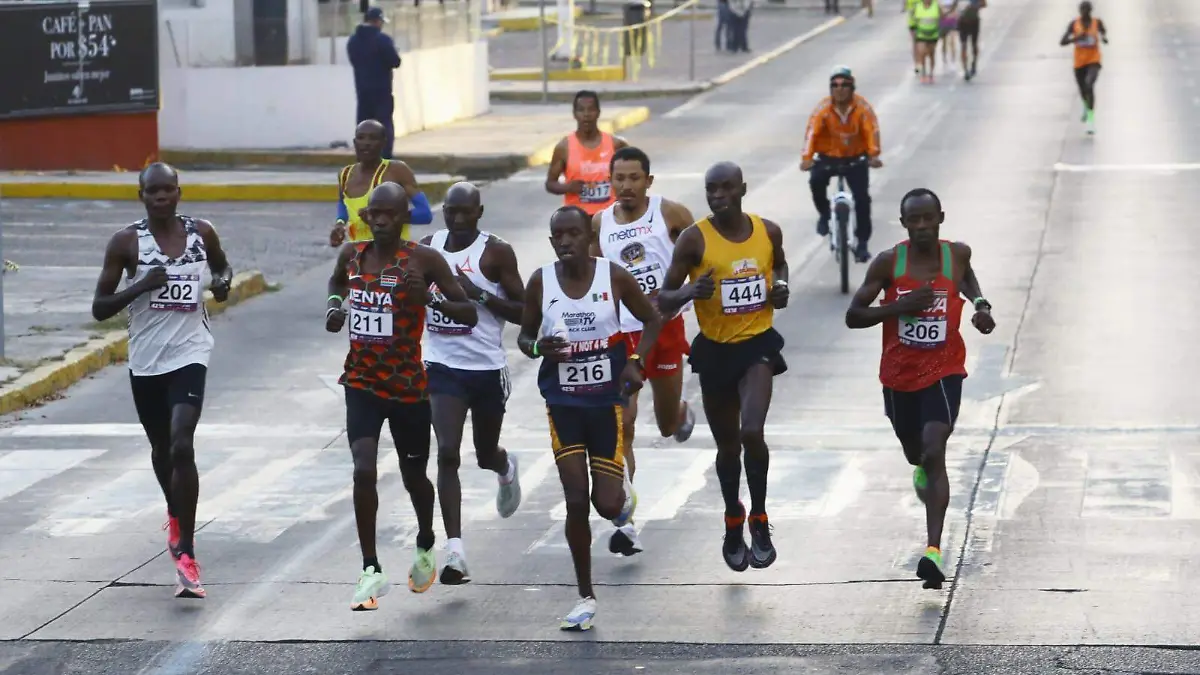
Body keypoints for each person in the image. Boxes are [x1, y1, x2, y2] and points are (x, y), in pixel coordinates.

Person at [325, 182, 479, 611]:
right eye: (374, 213)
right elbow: (336, 285)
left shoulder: (423, 260)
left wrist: (427, 298)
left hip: (409, 387)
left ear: (403, 217)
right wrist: (335, 308)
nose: (379, 220)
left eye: (389, 213)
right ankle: (370, 569)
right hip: (361, 384)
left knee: (415, 478)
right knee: (362, 469)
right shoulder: (352, 255)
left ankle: (427, 539)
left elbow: (467, 311)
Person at [90, 162, 234, 600]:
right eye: (152, 192)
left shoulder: (201, 233)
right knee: (160, 448)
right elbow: (99, 307)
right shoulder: (126, 243)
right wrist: (140, 286)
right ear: (142, 196)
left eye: (167, 190)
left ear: (178, 192)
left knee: (181, 443)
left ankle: (187, 554)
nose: (160, 198)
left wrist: (223, 286)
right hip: (147, 360)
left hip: (191, 353)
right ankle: (174, 511)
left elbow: (224, 269)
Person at [517, 205, 663, 631]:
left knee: (607, 504)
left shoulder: (613, 276)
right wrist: (538, 349)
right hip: (562, 405)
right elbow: (524, 337)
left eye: (573, 234)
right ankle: (585, 595)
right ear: (551, 242)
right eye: (558, 236)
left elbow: (652, 319)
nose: (565, 242)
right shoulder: (540, 282)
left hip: (604, 406)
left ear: (588, 238)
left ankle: (623, 497)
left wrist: (636, 360)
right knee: (576, 500)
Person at [844, 188, 995, 589]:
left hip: (944, 370)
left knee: (934, 448)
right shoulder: (889, 263)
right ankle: (921, 470)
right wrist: (899, 307)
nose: (923, 226)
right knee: (916, 453)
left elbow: (967, 280)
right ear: (904, 223)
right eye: (915, 220)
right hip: (898, 375)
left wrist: (981, 305)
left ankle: (932, 550)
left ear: (941, 217)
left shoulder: (956, 254)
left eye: (930, 218)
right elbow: (854, 315)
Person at [657, 161, 789, 573]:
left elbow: (779, 265)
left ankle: (761, 519)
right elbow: (663, 298)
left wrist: (781, 286)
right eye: (711, 189)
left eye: (726, 188)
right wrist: (691, 291)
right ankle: (734, 517)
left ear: (742, 189)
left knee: (752, 431)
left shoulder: (767, 230)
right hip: (715, 350)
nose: (718, 196)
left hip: (757, 345)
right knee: (728, 446)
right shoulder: (695, 240)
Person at [418, 182, 527, 585]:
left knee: (483, 453)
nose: (459, 219)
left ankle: (504, 465)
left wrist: (478, 295)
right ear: (443, 211)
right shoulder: (429, 248)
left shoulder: (495, 252)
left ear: (479, 213)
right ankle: (456, 552)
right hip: (441, 365)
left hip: (485, 368)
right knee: (447, 453)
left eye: (466, 212)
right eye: (452, 211)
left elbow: (522, 312)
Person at [591, 146, 698, 557]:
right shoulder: (599, 223)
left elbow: (699, 262)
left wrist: (684, 301)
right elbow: (593, 280)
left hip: (666, 329)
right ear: (610, 181)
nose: (626, 186)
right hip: (623, 335)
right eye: (619, 178)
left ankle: (682, 411)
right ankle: (626, 520)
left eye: (634, 178)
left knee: (667, 425)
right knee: (625, 424)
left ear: (648, 181)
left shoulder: (670, 214)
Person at [800, 66, 883, 263]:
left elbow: (872, 130)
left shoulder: (863, 108)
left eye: (845, 85)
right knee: (815, 182)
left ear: (852, 88)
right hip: (828, 157)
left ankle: (862, 243)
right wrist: (806, 158)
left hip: (855, 158)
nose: (840, 89)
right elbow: (811, 133)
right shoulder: (823, 109)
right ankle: (824, 213)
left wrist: (873, 154)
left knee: (862, 199)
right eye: (835, 85)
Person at [330, 120, 435, 248]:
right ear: (354, 142)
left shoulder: (397, 170)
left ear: (383, 143)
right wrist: (340, 224)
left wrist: (379, 216)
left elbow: (425, 214)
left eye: (373, 138)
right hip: (360, 256)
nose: (366, 143)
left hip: (395, 255)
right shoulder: (345, 174)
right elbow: (343, 203)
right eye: (361, 138)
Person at [545, 91, 629, 217]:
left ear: (598, 112)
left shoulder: (616, 145)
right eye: (581, 110)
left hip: (610, 217)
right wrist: (568, 188)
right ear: (574, 114)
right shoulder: (564, 147)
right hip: (578, 218)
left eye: (591, 110)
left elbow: (632, 178)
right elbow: (550, 184)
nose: (586, 115)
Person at [347, 6, 402, 159]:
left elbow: (354, 61)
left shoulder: (353, 41)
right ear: (377, 21)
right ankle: (385, 156)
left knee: (364, 125)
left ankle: (364, 157)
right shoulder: (383, 40)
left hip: (362, 90)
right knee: (383, 125)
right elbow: (395, 61)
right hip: (382, 90)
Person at [1060, 1, 1107, 134]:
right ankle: (1086, 106)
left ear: (1091, 11)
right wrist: (1075, 39)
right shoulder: (1073, 24)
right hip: (1079, 62)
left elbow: (1103, 32)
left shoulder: (1097, 22)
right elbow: (1062, 42)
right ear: (1079, 11)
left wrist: (1104, 38)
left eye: (1087, 10)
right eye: (1082, 10)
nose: (1084, 12)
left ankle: (1091, 121)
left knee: (1089, 84)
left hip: (1094, 60)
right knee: (1082, 90)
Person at [910, 0, 942, 83]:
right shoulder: (917, 6)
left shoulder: (936, 6)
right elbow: (912, 17)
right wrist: (914, 28)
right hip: (921, 34)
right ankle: (924, 73)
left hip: (933, 34)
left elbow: (941, 17)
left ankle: (931, 74)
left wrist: (939, 29)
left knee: (931, 54)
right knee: (922, 53)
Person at [956, 0, 985, 81]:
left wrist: (974, 7)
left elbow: (984, 4)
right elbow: (954, 6)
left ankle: (974, 63)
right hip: (962, 22)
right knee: (963, 45)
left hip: (974, 21)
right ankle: (965, 70)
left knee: (974, 45)